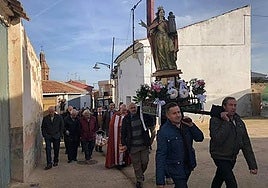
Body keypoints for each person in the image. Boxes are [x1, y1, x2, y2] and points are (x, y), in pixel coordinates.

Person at [209, 97, 258, 188]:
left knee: (219, 179)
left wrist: (252, 165)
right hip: (220, 156)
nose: (233, 108)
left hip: (232, 157)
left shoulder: (239, 121)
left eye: (235, 105)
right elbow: (217, 138)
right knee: (231, 183)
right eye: (230, 105)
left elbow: (246, 144)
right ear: (224, 106)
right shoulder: (215, 120)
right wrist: (226, 122)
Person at [156, 102, 204, 188]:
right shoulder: (163, 132)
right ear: (168, 116)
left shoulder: (186, 125)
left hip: (188, 165)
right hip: (175, 168)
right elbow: (161, 155)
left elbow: (200, 138)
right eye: (174, 113)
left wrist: (192, 126)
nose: (178, 115)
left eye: (179, 112)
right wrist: (160, 180)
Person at [121, 103, 151, 188]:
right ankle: (139, 180)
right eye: (131, 108)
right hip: (133, 146)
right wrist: (124, 143)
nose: (133, 109)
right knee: (136, 164)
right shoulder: (126, 119)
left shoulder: (142, 116)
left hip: (143, 144)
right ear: (128, 109)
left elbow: (150, 120)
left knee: (145, 162)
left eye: (134, 107)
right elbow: (123, 133)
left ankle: (140, 174)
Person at [146, 6, 178, 71]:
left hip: (166, 37)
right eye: (161, 12)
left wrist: (173, 33)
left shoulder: (166, 21)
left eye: (163, 12)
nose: (162, 13)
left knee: (169, 50)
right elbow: (151, 30)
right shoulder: (155, 22)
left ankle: (171, 65)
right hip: (159, 38)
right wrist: (151, 31)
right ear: (158, 13)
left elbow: (171, 30)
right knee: (161, 52)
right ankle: (163, 66)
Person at [105, 104, 131, 169]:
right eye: (123, 110)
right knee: (119, 151)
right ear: (120, 109)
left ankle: (124, 161)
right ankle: (119, 163)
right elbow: (112, 125)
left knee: (125, 150)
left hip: (126, 137)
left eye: (125, 110)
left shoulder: (128, 115)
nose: (124, 111)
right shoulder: (116, 115)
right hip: (117, 137)